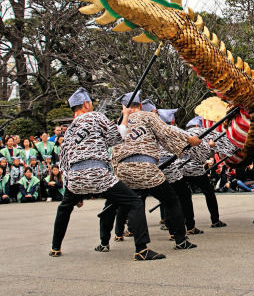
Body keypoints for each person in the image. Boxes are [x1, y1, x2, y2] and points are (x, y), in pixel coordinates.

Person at [50, 87, 165, 261]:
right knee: (134, 202)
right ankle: (141, 249)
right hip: (98, 173)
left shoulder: (69, 130)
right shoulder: (96, 117)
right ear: (87, 104)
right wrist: (125, 116)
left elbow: (64, 161)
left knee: (65, 207)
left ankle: (55, 247)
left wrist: (74, 188)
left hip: (75, 176)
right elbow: (117, 137)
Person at [101, 92, 201, 252]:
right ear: (140, 105)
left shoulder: (119, 123)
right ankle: (180, 240)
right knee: (171, 200)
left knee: (123, 204)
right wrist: (189, 139)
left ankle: (104, 242)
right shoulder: (147, 116)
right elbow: (167, 131)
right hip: (145, 167)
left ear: (124, 107)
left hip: (122, 169)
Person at [179, 115, 226, 231]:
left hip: (180, 168)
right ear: (197, 125)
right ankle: (215, 220)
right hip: (195, 169)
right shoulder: (201, 132)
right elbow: (203, 155)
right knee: (209, 192)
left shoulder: (183, 133)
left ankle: (190, 226)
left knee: (184, 196)